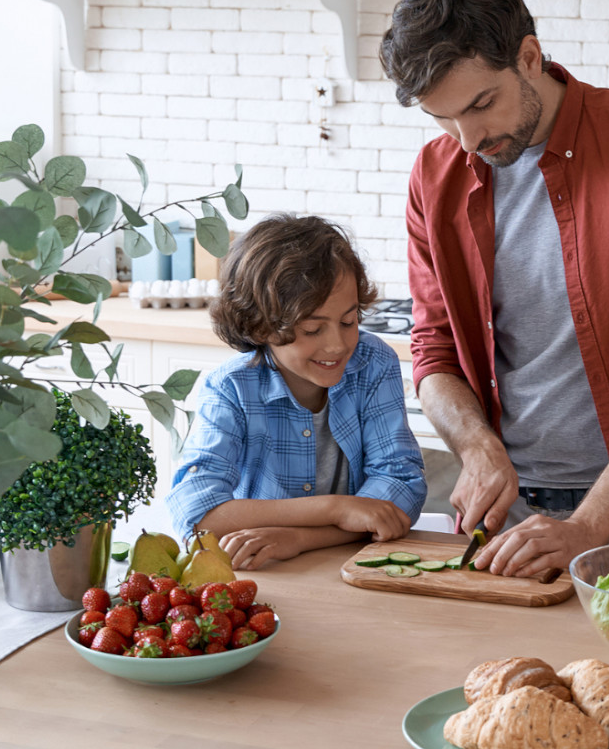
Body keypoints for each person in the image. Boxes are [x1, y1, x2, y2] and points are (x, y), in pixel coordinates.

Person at [387, 0, 609, 578]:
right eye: (443, 119)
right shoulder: (434, 175)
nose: (467, 140)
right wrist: (476, 447)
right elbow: (432, 350)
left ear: (528, 57)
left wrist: (589, 526)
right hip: (500, 523)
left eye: (481, 105)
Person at [167, 214, 427, 569]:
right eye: (312, 329)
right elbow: (195, 514)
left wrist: (300, 538)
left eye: (348, 321)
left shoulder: (373, 363)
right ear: (259, 327)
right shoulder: (231, 388)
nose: (338, 345)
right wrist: (337, 507)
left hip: (353, 566)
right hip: (264, 575)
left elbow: (401, 491)